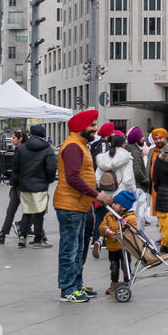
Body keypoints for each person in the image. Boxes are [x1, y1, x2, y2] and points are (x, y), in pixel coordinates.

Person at [53, 109, 113, 303]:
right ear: (80, 127)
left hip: (79, 203)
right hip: (70, 204)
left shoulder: (80, 145)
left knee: (78, 248)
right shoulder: (73, 147)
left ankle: (76, 285)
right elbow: (72, 177)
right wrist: (97, 194)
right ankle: (68, 289)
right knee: (70, 249)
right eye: (92, 125)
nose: (95, 128)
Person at [11, 124, 56, 248]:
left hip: (25, 185)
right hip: (41, 185)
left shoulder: (22, 148)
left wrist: (17, 181)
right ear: (43, 135)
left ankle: (22, 236)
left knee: (27, 211)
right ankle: (38, 239)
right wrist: (49, 180)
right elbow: (51, 169)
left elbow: (15, 168)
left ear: (31, 134)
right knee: (39, 213)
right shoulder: (48, 149)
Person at [94, 190, 139, 296]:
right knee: (113, 267)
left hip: (125, 247)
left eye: (115, 203)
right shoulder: (109, 215)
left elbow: (133, 230)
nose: (112, 205)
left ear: (123, 207)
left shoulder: (130, 217)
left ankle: (127, 283)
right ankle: (114, 283)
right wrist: (106, 230)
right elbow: (101, 227)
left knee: (125, 266)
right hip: (112, 247)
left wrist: (119, 233)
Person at [0, 128, 26, 245]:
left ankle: (23, 235)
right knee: (10, 210)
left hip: (22, 185)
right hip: (16, 185)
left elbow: (19, 169)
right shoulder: (18, 150)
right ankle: (3, 234)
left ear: (20, 139)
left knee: (27, 211)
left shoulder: (23, 151)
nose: (12, 140)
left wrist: (14, 179)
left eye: (14, 137)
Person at [125, 127, 152, 226]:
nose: (143, 138)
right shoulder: (135, 152)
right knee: (138, 219)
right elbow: (137, 171)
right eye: (141, 136)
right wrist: (147, 181)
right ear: (137, 138)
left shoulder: (129, 149)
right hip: (138, 188)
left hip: (133, 186)